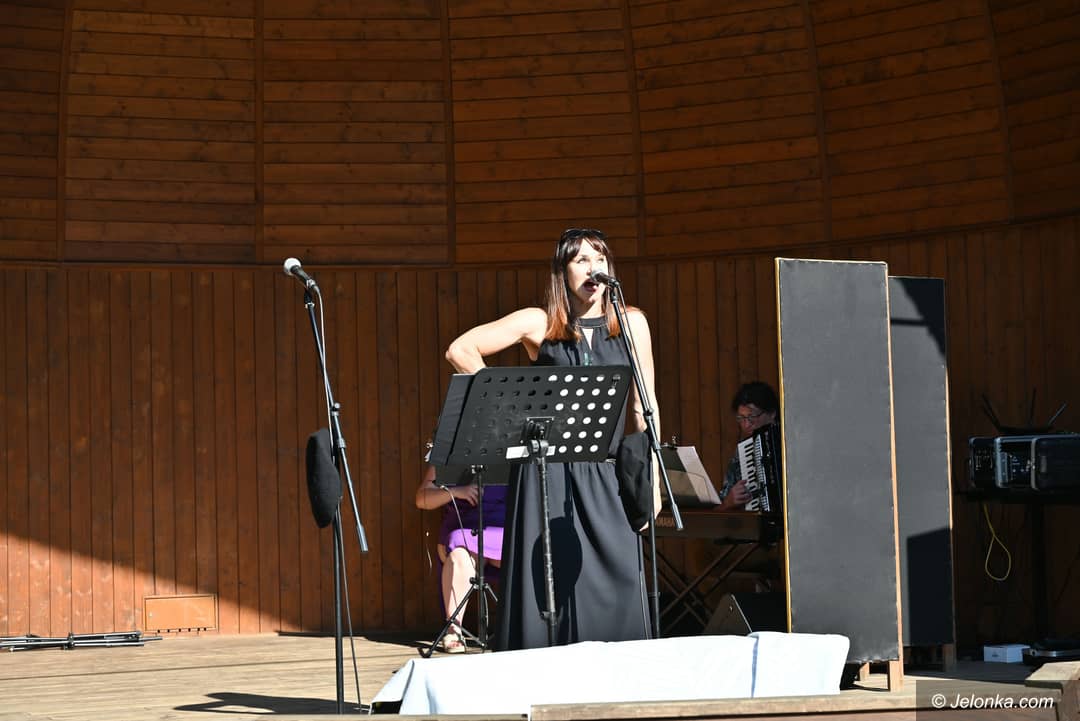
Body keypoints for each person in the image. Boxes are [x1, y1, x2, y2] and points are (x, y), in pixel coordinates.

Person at [444, 227, 660, 650]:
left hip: (607, 472)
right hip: (548, 474)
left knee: (618, 578)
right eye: (582, 260)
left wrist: (650, 479)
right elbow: (460, 350)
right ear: (563, 271)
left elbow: (644, 405)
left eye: (600, 258)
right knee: (549, 588)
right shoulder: (540, 323)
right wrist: (511, 410)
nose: (593, 268)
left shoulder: (632, 323)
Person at [415, 461, 507, 653]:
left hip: (502, 526)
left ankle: (518, 625)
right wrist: (456, 492)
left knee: (523, 551)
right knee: (459, 557)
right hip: (463, 527)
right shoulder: (449, 453)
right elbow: (422, 499)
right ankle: (453, 628)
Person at [718, 381, 779, 510]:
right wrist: (728, 502)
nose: (746, 425)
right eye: (741, 418)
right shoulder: (742, 453)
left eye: (752, 416)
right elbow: (719, 509)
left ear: (772, 413)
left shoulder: (793, 442)